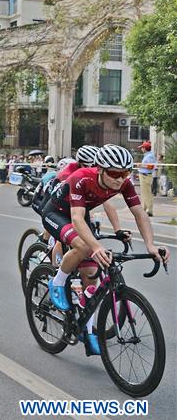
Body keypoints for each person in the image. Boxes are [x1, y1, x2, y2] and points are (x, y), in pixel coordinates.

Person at [41, 144, 169, 355]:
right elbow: (76, 219)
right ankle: (58, 281)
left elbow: (139, 213)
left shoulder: (124, 183)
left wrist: (150, 245)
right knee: (84, 246)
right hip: (56, 213)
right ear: (100, 169)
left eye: (126, 173)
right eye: (115, 173)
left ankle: (89, 330)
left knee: (91, 274)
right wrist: (96, 246)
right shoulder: (81, 177)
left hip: (80, 214)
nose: (120, 179)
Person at [137, 141, 155, 216]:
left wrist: (141, 165)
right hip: (144, 175)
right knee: (144, 193)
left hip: (146, 176)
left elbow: (151, 166)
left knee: (147, 193)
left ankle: (149, 210)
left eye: (142, 148)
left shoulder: (150, 156)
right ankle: (144, 208)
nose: (141, 149)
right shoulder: (148, 155)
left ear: (144, 148)